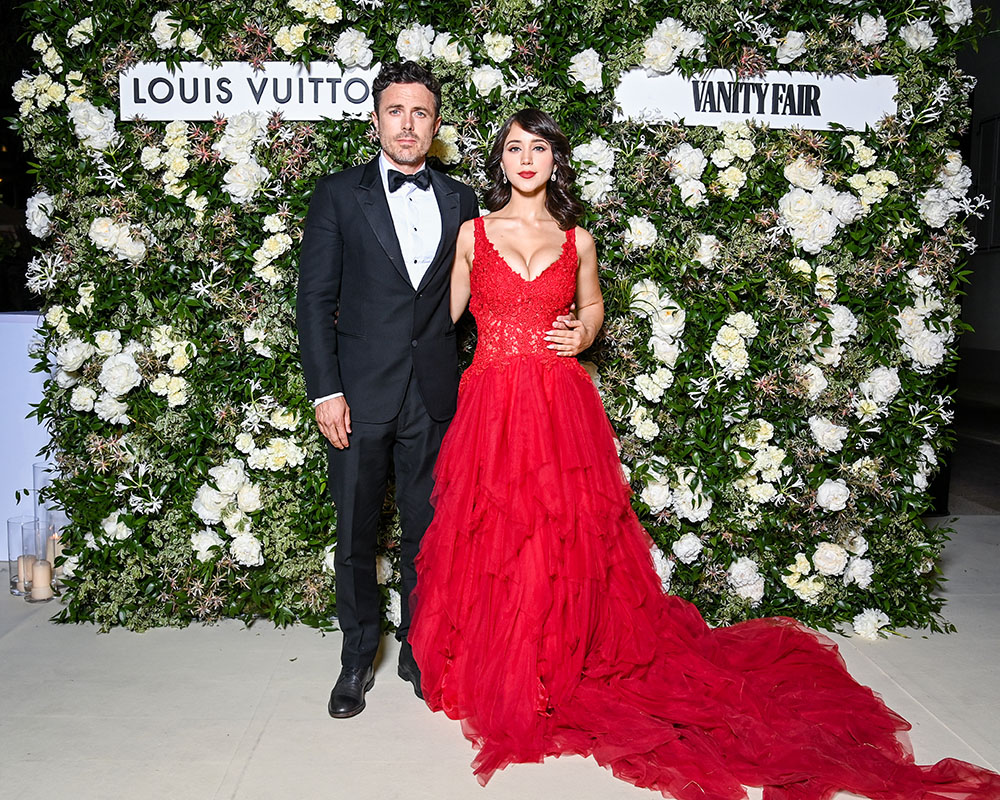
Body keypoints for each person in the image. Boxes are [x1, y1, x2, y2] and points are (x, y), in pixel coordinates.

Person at [408, 109, 1000, 800]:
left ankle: (550, 667)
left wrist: (581, 333)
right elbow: (439, 319)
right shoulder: (472, 235)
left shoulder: (578, 239)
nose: (527, 158)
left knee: (563, 535)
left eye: (539, 147)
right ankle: (508, 664)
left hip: (560, 406)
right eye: (515, 147)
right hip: (494, 406)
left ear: (554, 160)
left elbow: (594, 310)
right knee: (498, 532)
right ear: (500, 161)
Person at [296, 61, 479, 718]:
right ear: (375, 121)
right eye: (396, 111)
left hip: (432, 395)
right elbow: (314, 300)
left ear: (435, 124)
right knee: (355, 535)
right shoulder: (338, 194)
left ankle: (418, 651)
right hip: (358, 395)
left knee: (428, 535)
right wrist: (326, 392)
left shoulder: (460, 199)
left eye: (421, 112)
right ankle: (355, 659)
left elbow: (475, 299)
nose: (408, 124)